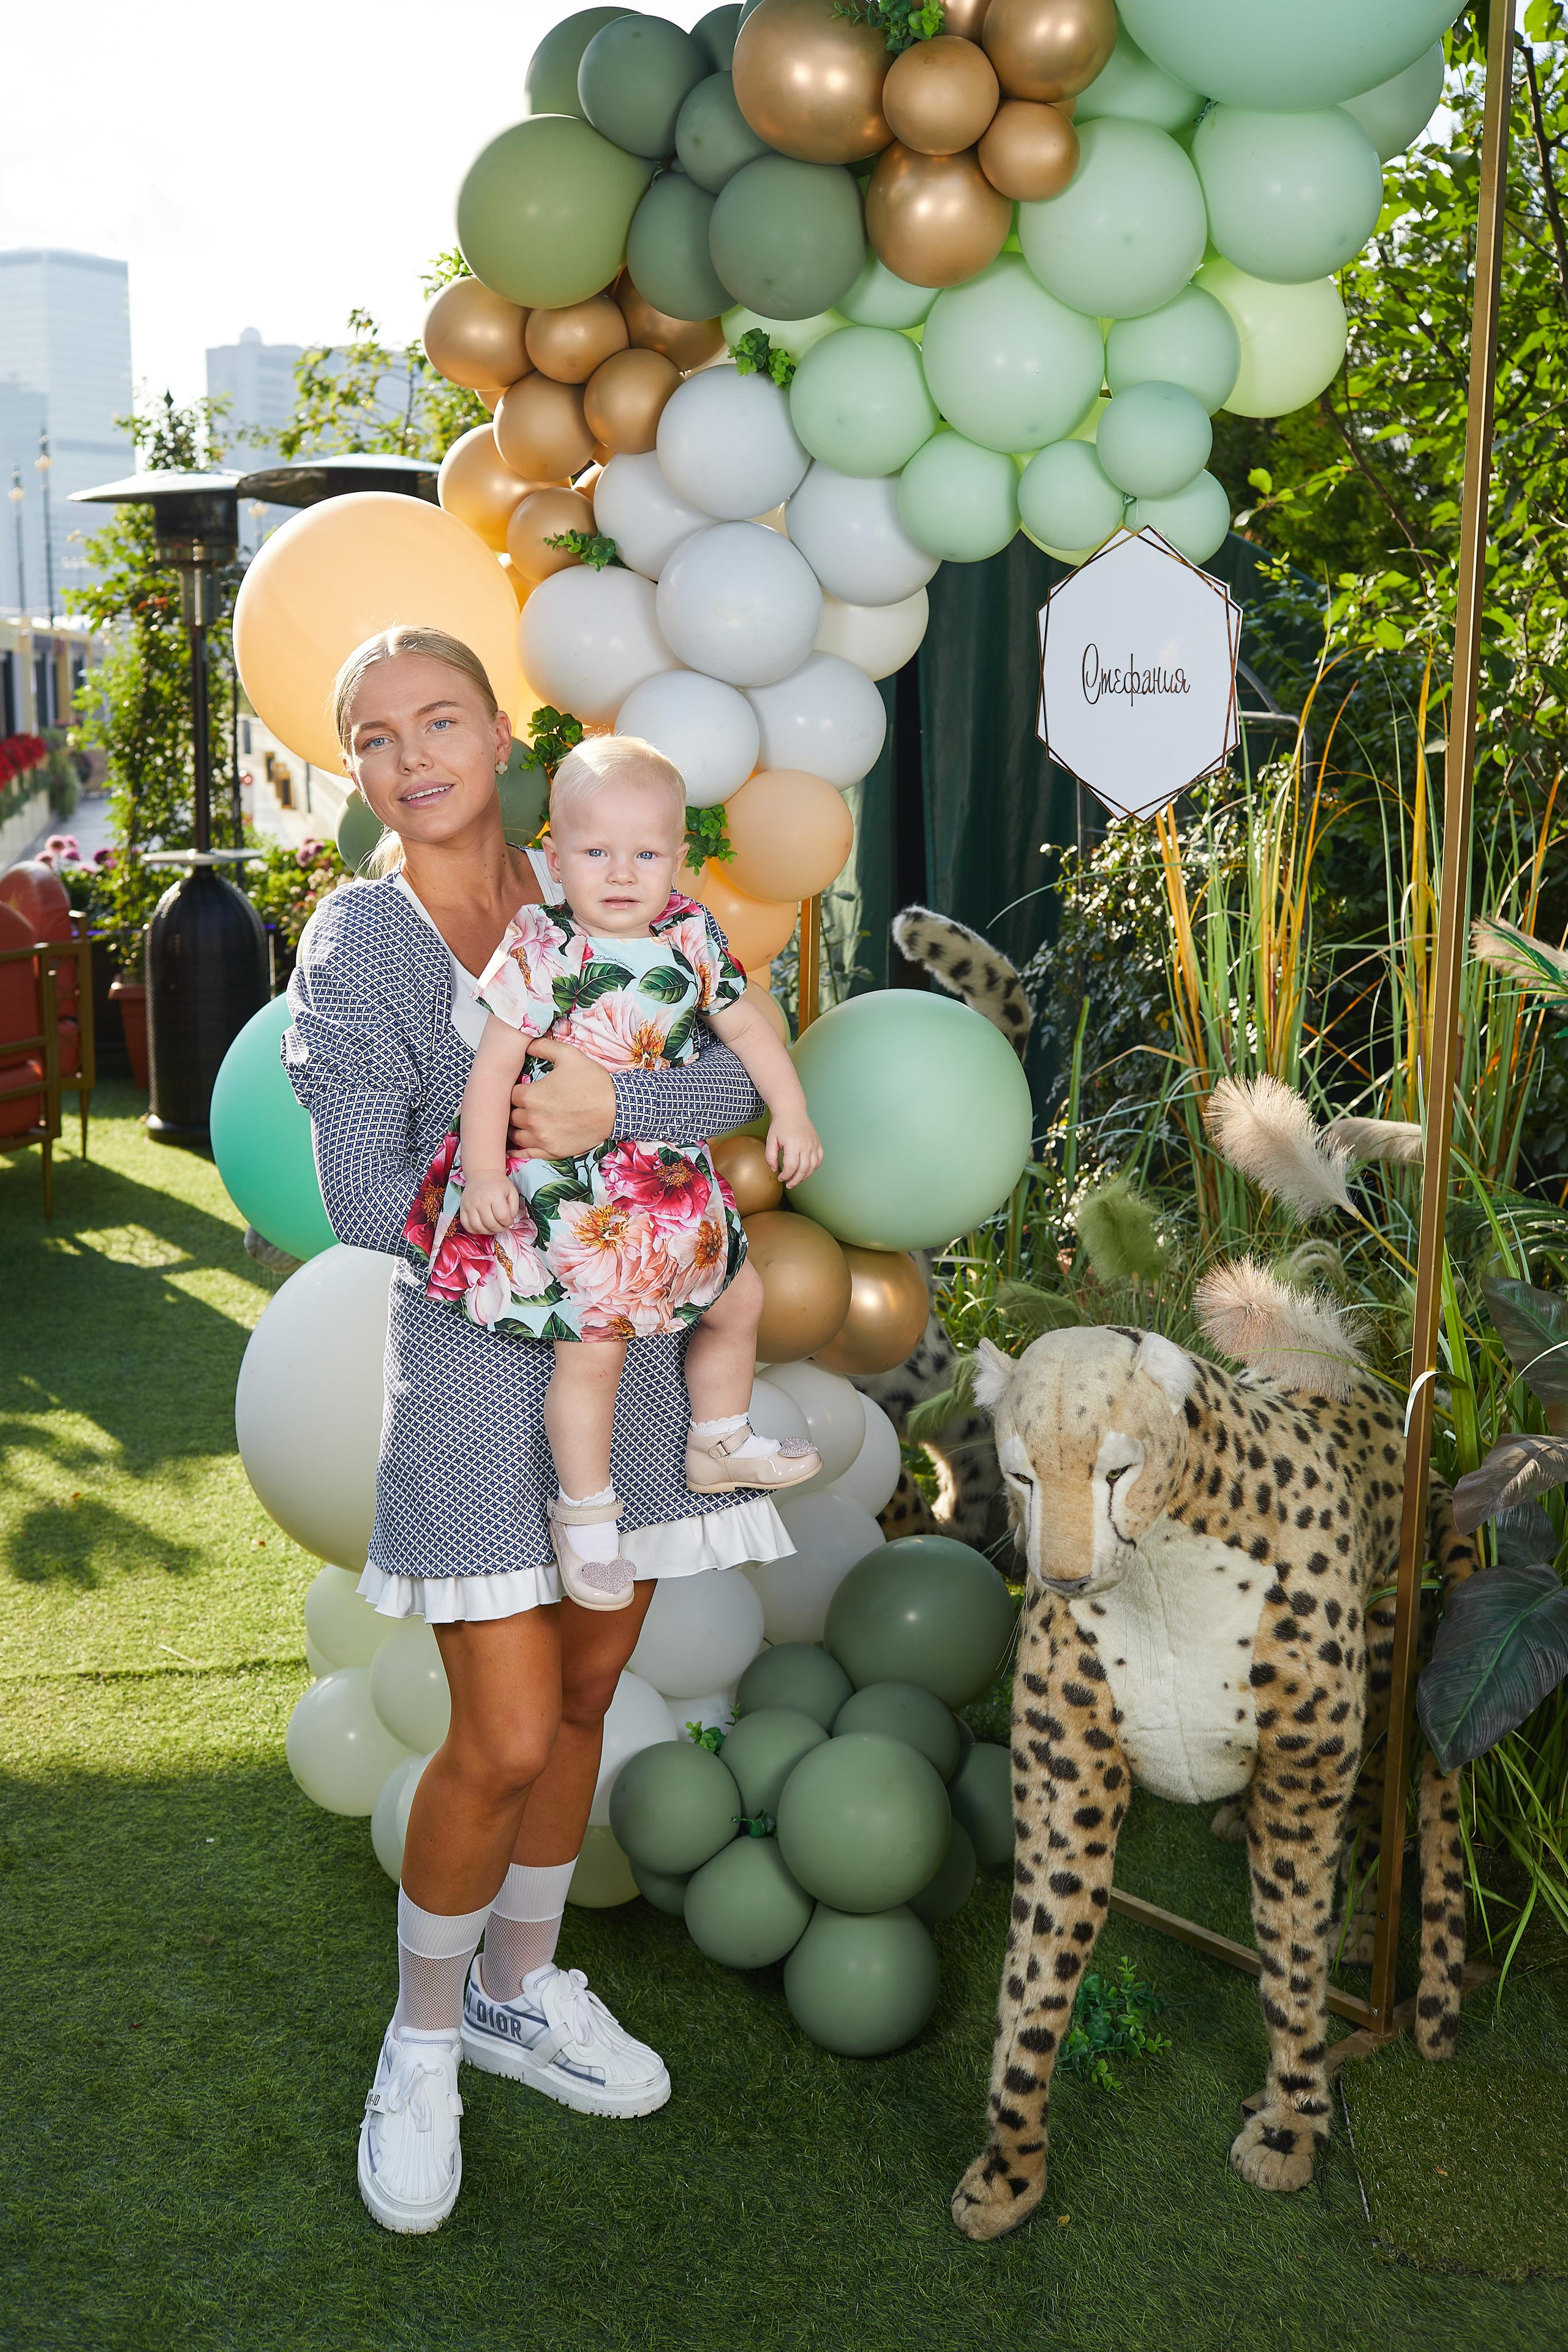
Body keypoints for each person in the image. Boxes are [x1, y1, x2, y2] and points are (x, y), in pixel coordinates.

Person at [282, 625, 796, 2236]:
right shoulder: (362, 945)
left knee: (584, 1695)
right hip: (475, 1371)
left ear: (501, 732)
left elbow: (722, 1078)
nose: (412, 755)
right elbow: (367, 1195)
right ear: (355, 769)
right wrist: (535, 1144)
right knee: (498, 1735)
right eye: (375, 737)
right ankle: (420, 2043)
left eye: (440, 719)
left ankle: (517, 1988)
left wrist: (612, 1114)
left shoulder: (599, 872)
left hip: (630, 1366)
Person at [419, 733, 824, 1611]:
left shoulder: (689, 932)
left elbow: (750, 1032)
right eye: (596, 852)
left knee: (739, 1299)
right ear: (556, 861)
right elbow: (492, 1068)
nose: (621, 872)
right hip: (581, 1194)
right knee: (592, 1355)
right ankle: (588, 1515)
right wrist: (484, 1171)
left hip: (672, 1181)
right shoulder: (543, 947)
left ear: (678, 861)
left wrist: (790, 1111)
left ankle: (718, 1438)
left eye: (645, 853)